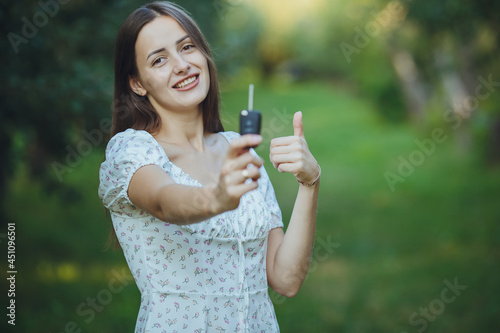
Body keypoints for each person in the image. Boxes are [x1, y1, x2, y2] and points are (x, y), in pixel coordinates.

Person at [98, 1, 320, 332]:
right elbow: (164, 200)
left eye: (187, 47)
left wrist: (310, 183)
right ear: (137, 83)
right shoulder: (132, 150)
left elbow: (285, 280)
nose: (182, 64)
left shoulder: (237, 149)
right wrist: (216, 198)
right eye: (159, 60)